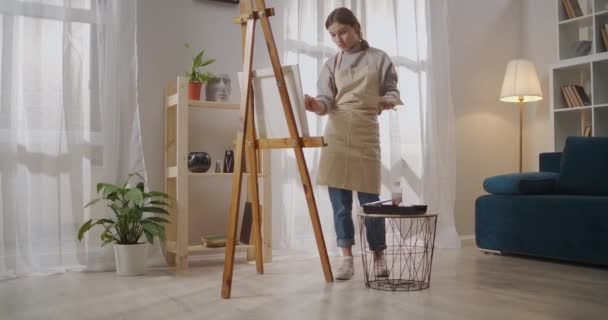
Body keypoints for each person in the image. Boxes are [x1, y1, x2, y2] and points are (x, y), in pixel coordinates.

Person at [304, 7, 400, 281]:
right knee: (340, 203)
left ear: (356, 27)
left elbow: (392, 89)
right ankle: (346, 258)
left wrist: (386, 101)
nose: (339, 39)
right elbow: (326, 101)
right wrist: (314, 106)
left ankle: (379, 255)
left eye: (343, 32)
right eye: (333, 35)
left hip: (365, 130)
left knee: (372, 202)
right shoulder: (331, 65)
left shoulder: (379, 58)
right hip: (336, 131)